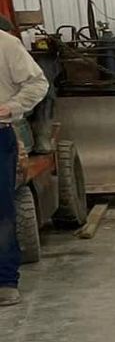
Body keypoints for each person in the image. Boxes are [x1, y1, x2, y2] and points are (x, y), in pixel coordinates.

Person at [0, 24, 50, 307]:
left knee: (1, 210)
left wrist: (10, 107)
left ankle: (5, 281)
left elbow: (37, 83)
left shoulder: (5, 45)